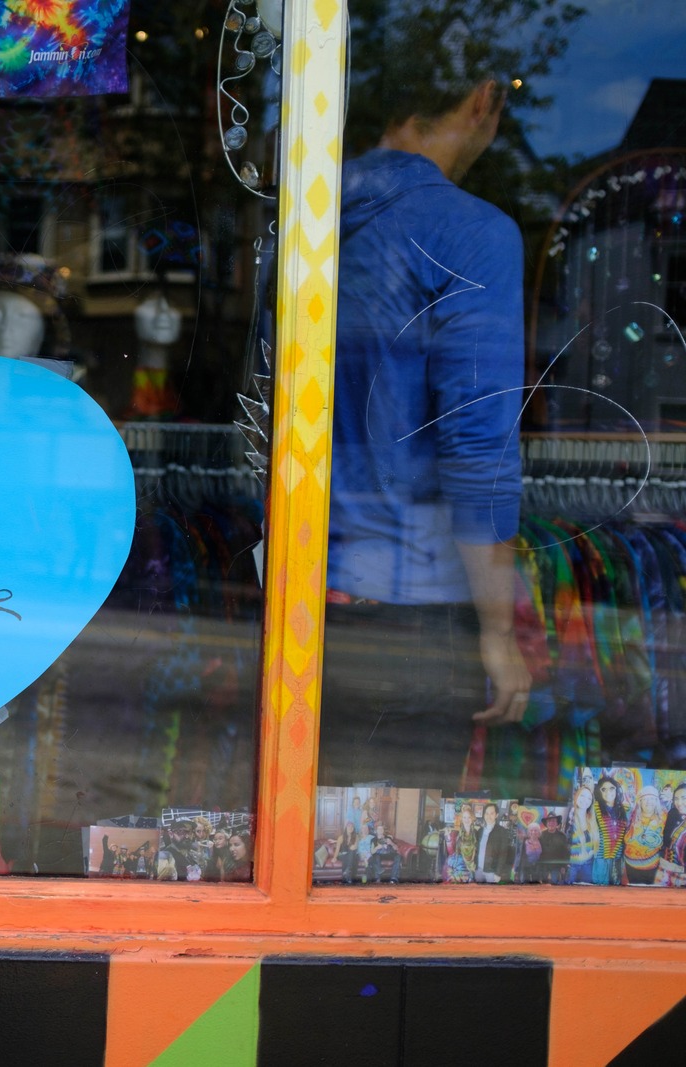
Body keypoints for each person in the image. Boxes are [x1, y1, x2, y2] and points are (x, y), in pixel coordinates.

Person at [318, 22, 532, 791]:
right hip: (409, 611)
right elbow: (477, 449)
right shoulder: (470, 234)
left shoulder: (307, 226)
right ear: (483, 101)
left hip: (298, 604)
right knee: (390, 871)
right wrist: (500, 632)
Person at [475, 802, 515, 883]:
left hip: (492, 872)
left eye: (491, 813)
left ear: (496, 815)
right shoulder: (480, 831)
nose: (488, 816)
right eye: (486, 813)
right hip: (478, 870)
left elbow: (503, 854)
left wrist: (498, 873)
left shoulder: (502, 832)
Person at [660, 785, 686, 888]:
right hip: (664, 871)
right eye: (676, 798)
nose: (679, 803)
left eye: (684, 798)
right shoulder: (673, 813)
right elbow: (666, 841)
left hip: (682, 875)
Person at [536, 813, 570, 884]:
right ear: (546, 823)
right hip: (543, 866)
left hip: (556, 866)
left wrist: (564, 866)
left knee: (554, 883)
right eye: (549, 821)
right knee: (544, 884)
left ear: (557, 823)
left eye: (553, 821)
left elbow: (566, 852)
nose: (551, 823)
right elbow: (537, 852)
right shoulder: (541, 835)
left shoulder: (562, 836)